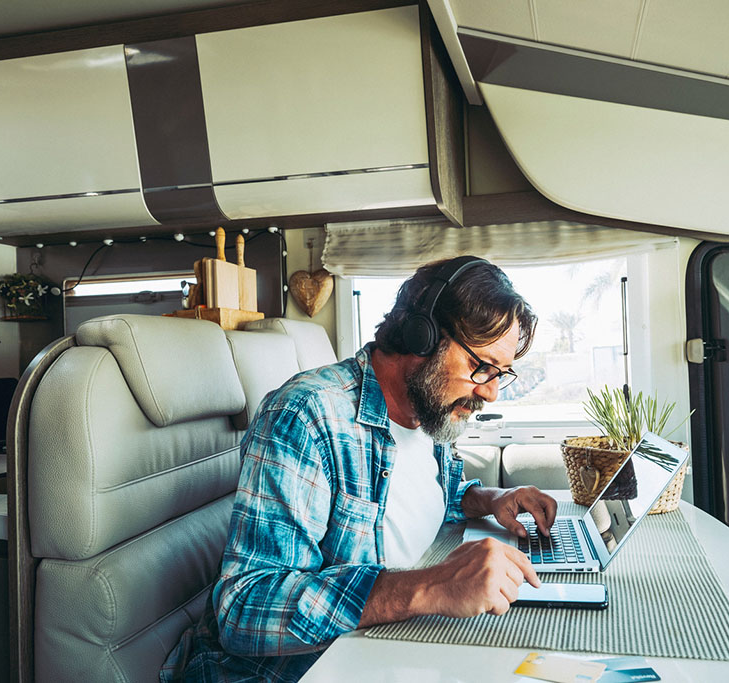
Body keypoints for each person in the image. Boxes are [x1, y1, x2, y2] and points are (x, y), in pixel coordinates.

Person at [161, 255, 557, 682]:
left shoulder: (431, 412)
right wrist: (432, 587)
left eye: (501, 373)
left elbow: (428, 494)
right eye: (481, 367)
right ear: (421, 337)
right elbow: (243, 609)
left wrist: (489, 499)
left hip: (390, 650)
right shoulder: (307, 415)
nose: (492, 393)